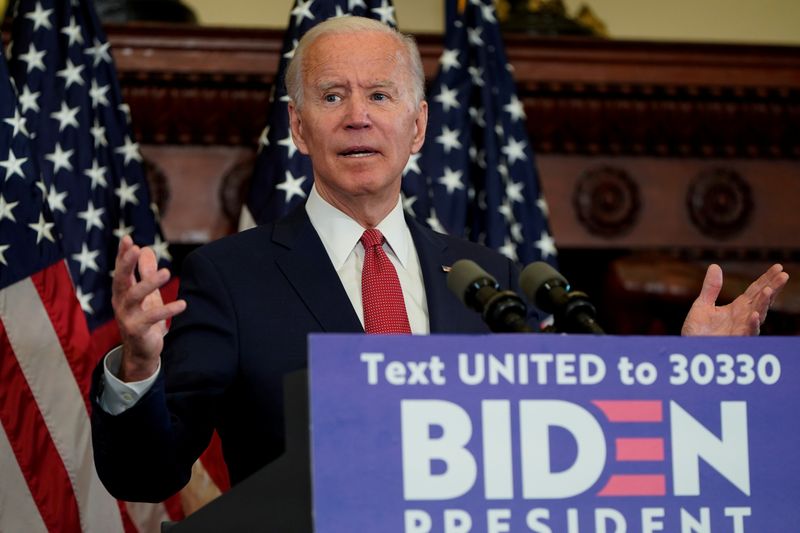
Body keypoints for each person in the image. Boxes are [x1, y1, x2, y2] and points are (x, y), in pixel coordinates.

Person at [90, 16, 789, 503]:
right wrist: (140, 366)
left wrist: (695, 378)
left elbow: (583, 444)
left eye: (380, 95)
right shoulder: (229, 278)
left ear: (417, 126)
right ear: (299, 128)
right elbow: (146, 474)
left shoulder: (495, 281)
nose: (357, 115)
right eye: (332, 97)